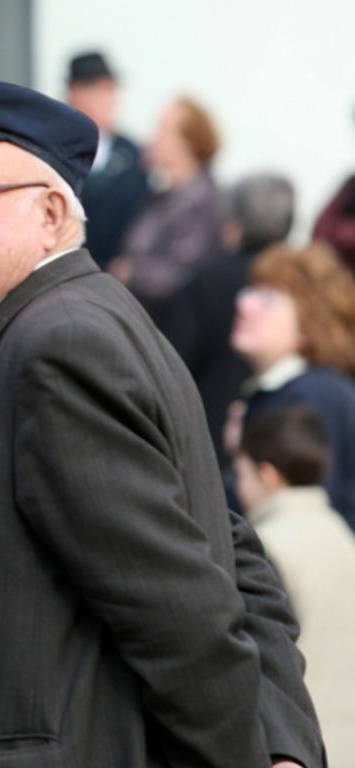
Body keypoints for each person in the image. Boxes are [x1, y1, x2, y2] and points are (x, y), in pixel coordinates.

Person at [0, 77, 294, 768]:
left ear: (50, 213)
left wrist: (251, 766)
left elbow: (183, 619)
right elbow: (225, 557)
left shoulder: (56, 345)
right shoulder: (59, 325)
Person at [235, 405, 355, 768]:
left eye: (239, 473)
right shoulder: (342, 534)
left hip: (302, 754)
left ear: (266, 475)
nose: (236, 488)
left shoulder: (266, 548)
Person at [155, 173, 294, 470]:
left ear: (234, 225)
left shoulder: (208, 281)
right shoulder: (297, 289)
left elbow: (168, 362)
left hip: (201, 440)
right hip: (270, 453)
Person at [228, 241, 355, 530]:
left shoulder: (318, 396)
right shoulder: (279, 390)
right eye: (251, 291)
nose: (244, 304)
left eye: (268, 298)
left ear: (311, 323)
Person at [111, 96, 224, 317]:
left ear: (188, 142)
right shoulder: (160, 196)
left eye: (163, 130)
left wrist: (130, 273)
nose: (153, 138)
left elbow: (183, 273)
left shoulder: (203, 201)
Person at [65, 51, 148, 269]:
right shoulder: (55, 149)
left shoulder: (133, 153)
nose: (111, 100)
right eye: (101, 91)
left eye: (112, 90)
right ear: (76, 93)